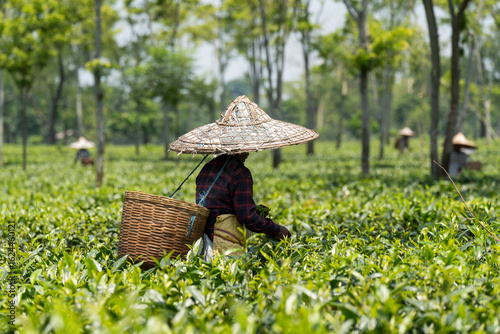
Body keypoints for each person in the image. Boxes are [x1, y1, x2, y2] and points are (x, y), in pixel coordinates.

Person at [196, 152, 290, 258]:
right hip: (226, 243)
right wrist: (276, 230)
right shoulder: (240, 172)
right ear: (235, 149)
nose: (247, 153)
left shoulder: (206, 168)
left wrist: (256, 212)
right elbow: (247, 217)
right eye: (243, 149)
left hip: (204, 241)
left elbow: (220, 205)